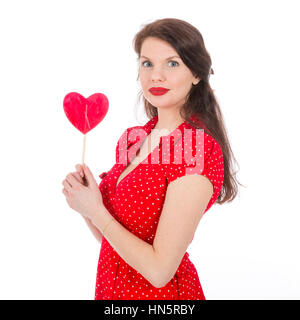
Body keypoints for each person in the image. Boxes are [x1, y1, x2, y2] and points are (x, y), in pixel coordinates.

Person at [62, 18, 241, 300]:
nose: (156, 76)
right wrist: (86, 203)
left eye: (172, 63)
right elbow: (111, 241)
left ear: (196, 74)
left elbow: (159, 271)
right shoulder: (134, 138)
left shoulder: (196, 149)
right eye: (147, 63)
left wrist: (96, 210)